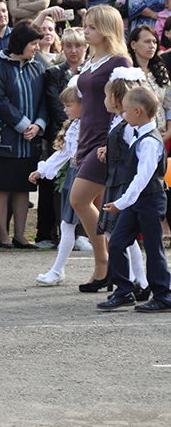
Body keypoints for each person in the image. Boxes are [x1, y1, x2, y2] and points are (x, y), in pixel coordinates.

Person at [70, 5, 132, 292]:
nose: (86, 30)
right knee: (92, 205)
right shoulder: (93, 59)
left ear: (106, 29)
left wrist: (111, 142)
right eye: (86, 25)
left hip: (104, 142)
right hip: (86, 137)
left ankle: (106, 265)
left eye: (92, 26)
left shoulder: (120, 62)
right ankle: (104, 270)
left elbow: (125, 108)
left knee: (79, 200)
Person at [97, 86, 171, 312]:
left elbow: (142, 178)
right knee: (118, 242)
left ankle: (163, 296)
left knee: (152, 245)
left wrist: (121, 203)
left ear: (138, 111)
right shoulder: (139, 133)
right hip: (137, 200)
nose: (123, 115)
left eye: (126, 111)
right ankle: (124, 291)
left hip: (149, 200)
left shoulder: (149, 141)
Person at [0, 22, 48, 248]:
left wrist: (38, 125)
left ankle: (20, 236)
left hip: (31, 142)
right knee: (2, 188)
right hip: (5, 140)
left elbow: (45, 100)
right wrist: (23, 125)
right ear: (21, 43)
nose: (37, 48)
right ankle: (3, 236)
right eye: (33, 43)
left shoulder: (37, 66)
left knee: (24, 188)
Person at [93, 72, 150, 298]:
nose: (104, 99)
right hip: (114, 180)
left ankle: (137, 281)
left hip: (121, 182)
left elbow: (134, 149)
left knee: (119, 234)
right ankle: (136, 281)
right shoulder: (119, 122)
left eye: (106, 95)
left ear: (115, 98)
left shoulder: (128, 125)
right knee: (114, 233)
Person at [36, 26, 87, 248]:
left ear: (86, 47)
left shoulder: (92, 72)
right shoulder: (53, 73)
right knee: (54, 186)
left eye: (78, 45)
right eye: (68, 45)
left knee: (85, 186)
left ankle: (83, 235)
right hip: (60, 135)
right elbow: (57, 107)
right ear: (62, 47)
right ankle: (50, 234)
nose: (73, 50)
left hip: (88, 137)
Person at [29, 84, 82, 286]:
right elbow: (64, 154)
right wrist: (42, 170)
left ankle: (132, 273)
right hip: (74, 176)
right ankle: (57, 270)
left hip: (91, 178)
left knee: (107, 227)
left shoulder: (93, 125)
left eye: (69, 105)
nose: (65, 110)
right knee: (67, 224)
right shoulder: (74, 126)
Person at [128, 26, 171, 145]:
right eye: (147, 41)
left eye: (154, 42)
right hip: (135, 137)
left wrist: (169, 131)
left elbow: (169, 104)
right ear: (133, 45)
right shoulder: (127, 73)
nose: (152, 45)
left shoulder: (161, 71)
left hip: (161, 136)